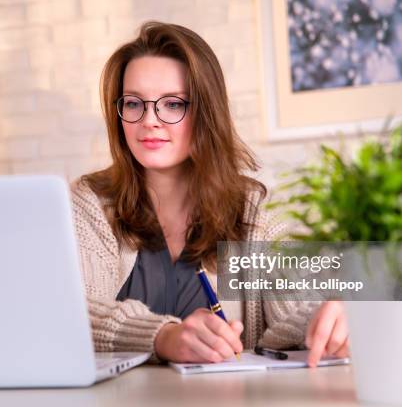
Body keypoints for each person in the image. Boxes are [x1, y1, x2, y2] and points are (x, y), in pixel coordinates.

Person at [70, 21, 349, 366]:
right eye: (133, 103)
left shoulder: (254, 209)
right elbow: (71, 311)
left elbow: (296, 307)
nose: (149, 121)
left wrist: (328, 318)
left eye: (172, 104)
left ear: (206, 112)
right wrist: (163, 336)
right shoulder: (92, 202)